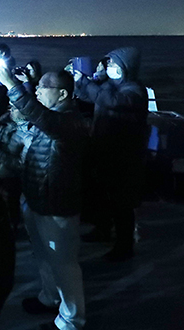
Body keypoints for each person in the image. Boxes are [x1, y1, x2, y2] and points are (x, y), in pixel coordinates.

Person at [0, 66, 88, 330]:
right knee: (44, 257)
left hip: (57, 205)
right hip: (36, 198)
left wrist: (12, 85)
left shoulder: (69, 120)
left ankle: (71, 321)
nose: (36, 91)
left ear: (61, 93)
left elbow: (40, 118)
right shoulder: (53, 116)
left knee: (64, 265)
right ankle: (50, 298)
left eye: (42, 87)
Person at [74, 47, 149, 261]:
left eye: (114, 65)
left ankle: (124, 246)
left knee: (122, 202)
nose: (110, 68)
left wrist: (91, 83)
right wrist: (82, 82)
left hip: (125, 154)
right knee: (103, 194)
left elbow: (113, 102)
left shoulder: (134, 90)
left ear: (126, 67)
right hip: (105, 149)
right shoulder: (110, 86)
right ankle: (102, 230)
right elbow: (90, 97)